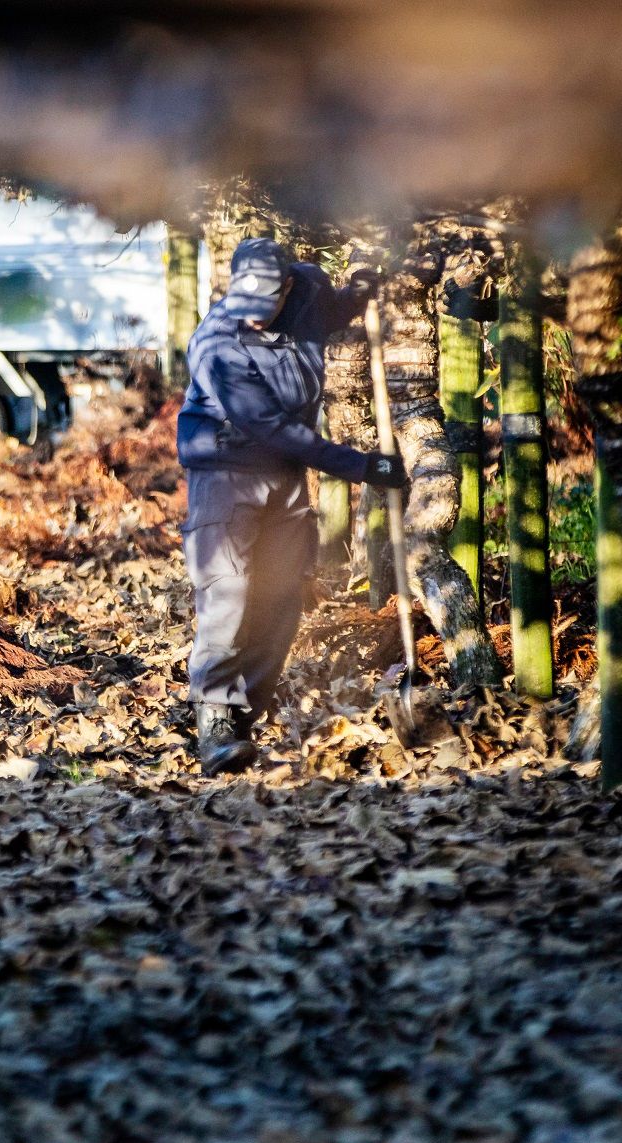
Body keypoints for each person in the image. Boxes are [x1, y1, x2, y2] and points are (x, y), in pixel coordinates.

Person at [177, 238, 408, 775]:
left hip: (286, 478)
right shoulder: (218, 344)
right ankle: (215, 719)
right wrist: (362, 467)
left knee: (279, 600)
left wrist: (361, 291)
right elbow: (276, 431)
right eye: (246, 306)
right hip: (227, 471)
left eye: (267, 306)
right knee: (227, 592)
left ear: (286, 288)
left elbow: (326, 313)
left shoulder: (306, 290)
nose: (255, 319)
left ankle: (243, 717)